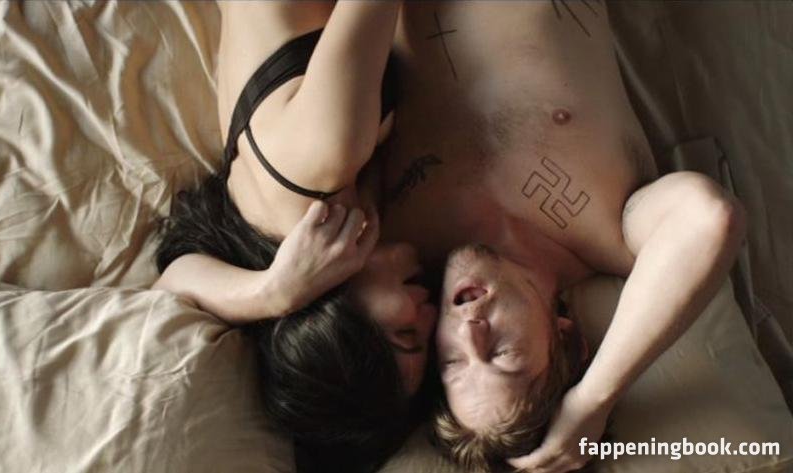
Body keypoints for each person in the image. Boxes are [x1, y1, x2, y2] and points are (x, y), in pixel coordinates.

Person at [375, 2, 746, 472]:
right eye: (502, 353)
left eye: (453, 362)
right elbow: (710, 217)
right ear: (565, 335)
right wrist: (594, 399)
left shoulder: (397, 248)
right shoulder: (612, 231)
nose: (469, 330)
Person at [151, 2, 436, 471]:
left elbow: (162, 295)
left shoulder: (326, 156)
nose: (429, 315)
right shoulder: (272, 224)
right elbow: (172, 285)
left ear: (341, 331)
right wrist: (269, 291)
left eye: (406, 334)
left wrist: (278, 291)